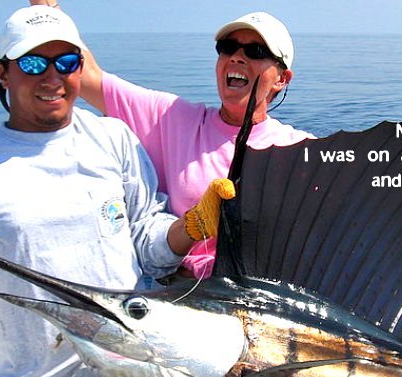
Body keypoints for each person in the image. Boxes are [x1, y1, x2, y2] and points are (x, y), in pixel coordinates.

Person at [0, 5, 229, 377]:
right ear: (2, 72)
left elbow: (147, 247)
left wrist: (188, 228)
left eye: (67, 61)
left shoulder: (115, 139)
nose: (52, 77)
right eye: (32, 63)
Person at [32, 1, 313, 279]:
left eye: (255, 51)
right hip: (184, 292)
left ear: (282, 79)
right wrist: (46, 7)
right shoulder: (172, 118)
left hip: (264, 299)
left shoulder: (304, 151)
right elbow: (88, 77)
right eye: (227, 48)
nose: (237, 57)